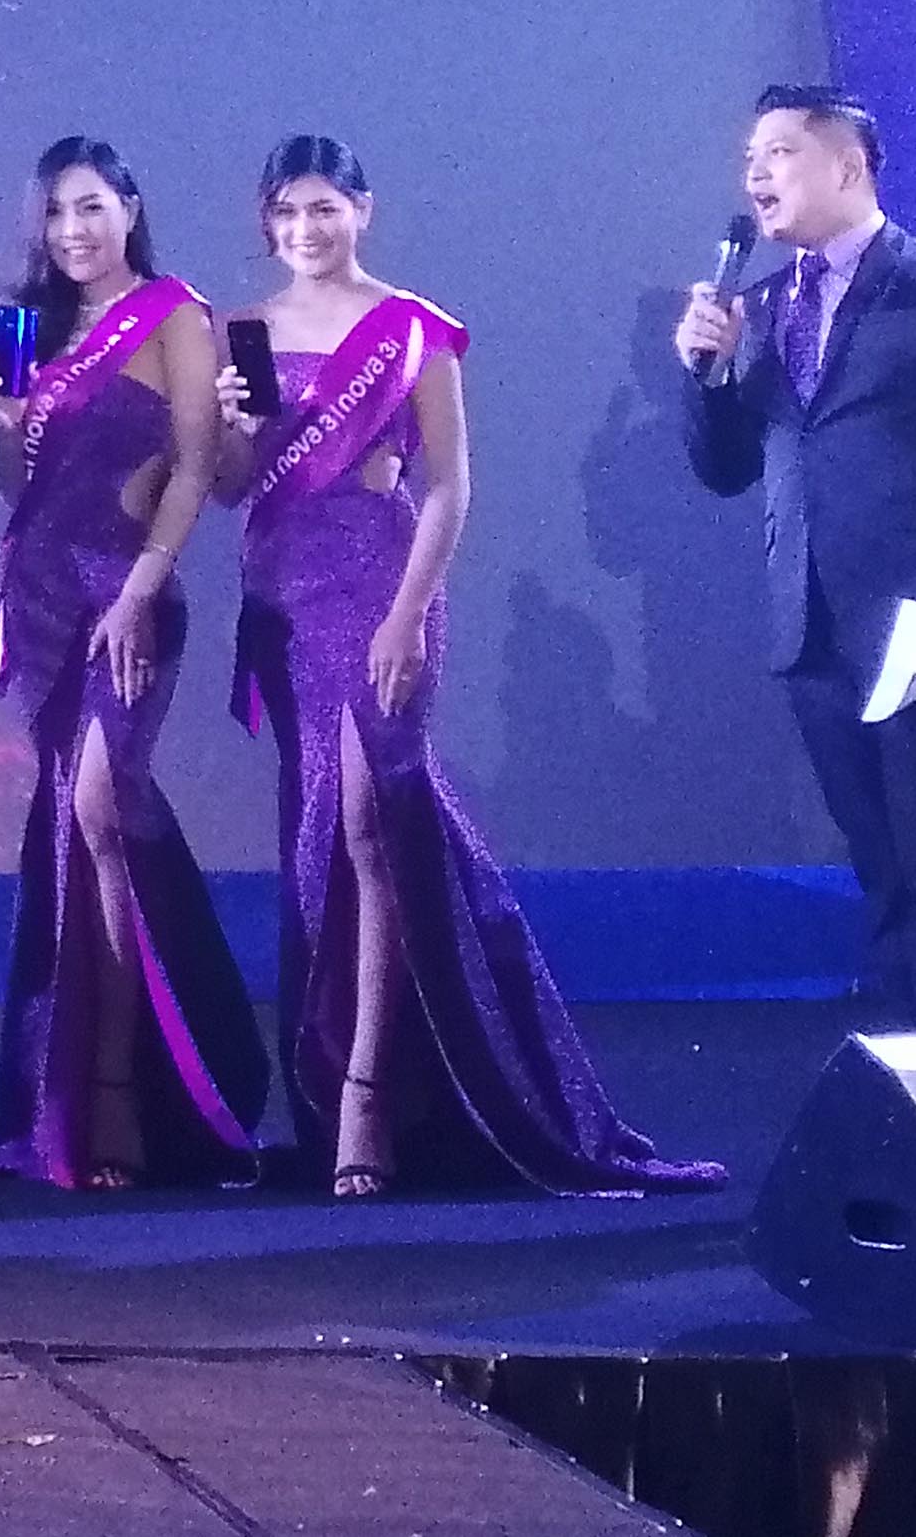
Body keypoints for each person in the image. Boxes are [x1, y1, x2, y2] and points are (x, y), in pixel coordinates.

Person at [218, 138, 721, 1196]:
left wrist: (407, 615)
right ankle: (364, 1077)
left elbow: (449, 484)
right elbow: (229, 485)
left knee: (370, 819)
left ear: (363, 209)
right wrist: (237, 427)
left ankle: (366, 1093)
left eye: (325, 207)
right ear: (267, 221)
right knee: (331, 833)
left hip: (382, 583)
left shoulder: (413, 326)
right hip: (286, 595)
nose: (306, 229)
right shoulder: (245, 331)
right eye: (288, 211)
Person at [678, 85, 916, 1027]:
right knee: (884, 872)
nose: (755, 174)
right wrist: (706, 376)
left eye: (778, 152)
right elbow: (726, 469)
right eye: (749, 158)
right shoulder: (762, 306)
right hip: (813, 633)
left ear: (848, 164)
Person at [0, 137, 264, 1192]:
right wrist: (5, 427)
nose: (73, 230)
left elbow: (196, 465)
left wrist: (144, 586)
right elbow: (20, 488)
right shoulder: (39, 330)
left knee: (101, 805)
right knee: (79, 823)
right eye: (57, 212)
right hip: (42, 601)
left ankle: (118, 1093)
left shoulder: (174, 313)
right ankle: (97, 1088)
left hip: (129, 592)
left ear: (130, 209)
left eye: (91, 206)